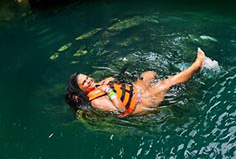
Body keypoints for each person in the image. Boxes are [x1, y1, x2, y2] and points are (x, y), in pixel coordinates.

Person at [65, 48, 206, 117]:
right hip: (140, 104)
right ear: (81, 90)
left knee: (149, 74)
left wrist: (110, 82)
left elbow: (118, 84)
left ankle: (182, 80)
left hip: (136, 93)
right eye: (85, 82)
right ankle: (196, 66)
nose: (89, 80)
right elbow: (120, 109)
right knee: (164, 83)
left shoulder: (97, 85)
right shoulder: (96, 102)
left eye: (87, 77)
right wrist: (109, 91)